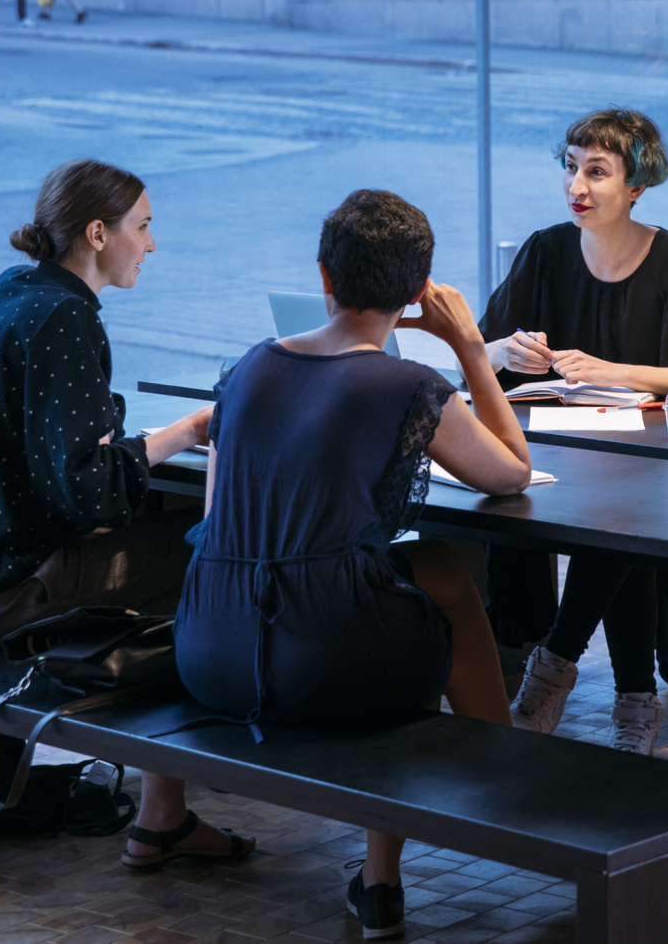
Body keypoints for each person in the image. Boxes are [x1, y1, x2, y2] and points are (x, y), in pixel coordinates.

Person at [0, 158, 250, 874]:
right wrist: (191, 430)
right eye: (144, 226)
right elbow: (91, 494)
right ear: (98, 233)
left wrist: (123, 438)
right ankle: (164, 808)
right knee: (201, 553)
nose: (153, 244)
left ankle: (146, 786)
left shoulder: (14, 289)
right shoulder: (69, 316)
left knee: (161, 550)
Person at [174, 189, 528, 939]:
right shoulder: (406, 385)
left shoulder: (245, 371)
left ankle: (452, 810)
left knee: (421, 568)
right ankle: (493, 773)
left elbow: (213, 522)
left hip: (209, 646)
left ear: (323, 277)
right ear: (417, 294)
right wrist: (468, 346)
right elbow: (510, 472)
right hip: (324, 658)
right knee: (430, 592)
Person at [482, 108, 668, 755]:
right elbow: (479, 350)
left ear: (636, 185)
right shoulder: (546, 250)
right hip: (563, 450)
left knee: (623, 518)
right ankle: (634, 698)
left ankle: (555, 668)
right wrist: (507, 352)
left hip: (653, 459)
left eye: (597, 171)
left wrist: (610, 370)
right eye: (571, 167)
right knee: (621, 525)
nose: (578, 186)